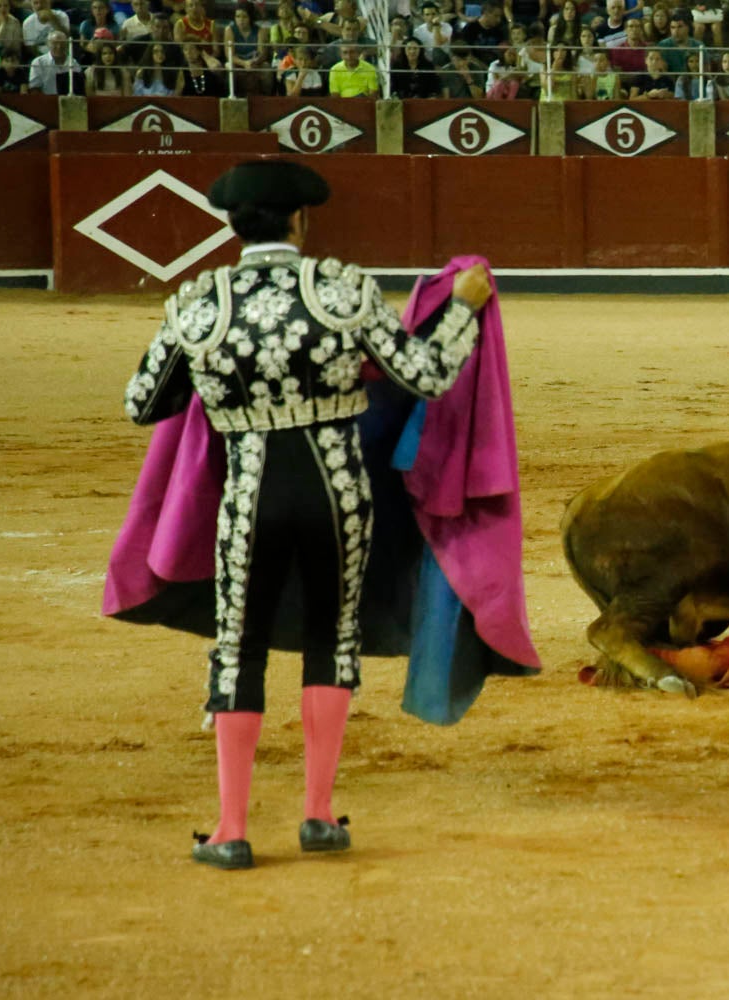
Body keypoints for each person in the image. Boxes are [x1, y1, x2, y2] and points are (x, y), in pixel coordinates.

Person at [122, 160, 492, 872]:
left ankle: (230, 830)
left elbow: (145, 403)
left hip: (250, 496)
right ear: (300, 220)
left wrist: (222, 382)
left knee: (240, 647)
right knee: (332, 639)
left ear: (234, 226)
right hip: (336, 493)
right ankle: (319, 817)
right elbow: (425, 375)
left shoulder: (200, 303)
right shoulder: (340, 289)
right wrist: (462, 309)